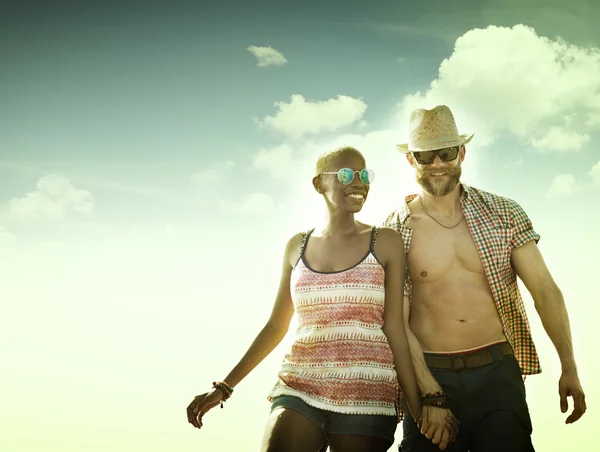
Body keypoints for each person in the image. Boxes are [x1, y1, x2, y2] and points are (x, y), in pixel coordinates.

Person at [186, 146, 441, 452]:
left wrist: (417, 409)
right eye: (346, 174)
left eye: (364, 175)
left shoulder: (386, 242)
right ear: (319, 183)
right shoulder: (297, 246)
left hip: (366, 391)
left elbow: (395, 330)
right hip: (299, 386)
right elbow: (275, 326)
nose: (358, 183)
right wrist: (225, 387)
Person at [382, 105, 587, 452]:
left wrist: (569, 367)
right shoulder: (395, 230)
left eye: (446, 152)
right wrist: (428, 391)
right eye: (426, 155)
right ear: (411, 160)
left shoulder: (503, 212)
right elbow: (397, 324)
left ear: (461, 152)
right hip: (430, 373)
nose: (437, 164)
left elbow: (545, 291)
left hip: (496, 372)